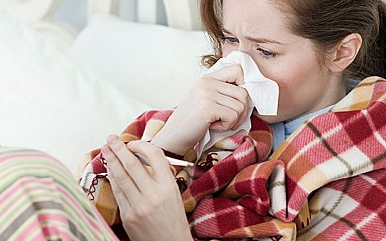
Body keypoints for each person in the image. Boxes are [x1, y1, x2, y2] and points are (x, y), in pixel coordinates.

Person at [1, 0, 386, 240]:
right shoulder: (210, 117)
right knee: (26, 173)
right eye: (230, 40)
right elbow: (88, 203)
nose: (239, 64)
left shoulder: (370, 154)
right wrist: (170, 139)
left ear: (341, 52)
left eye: (266, 51)